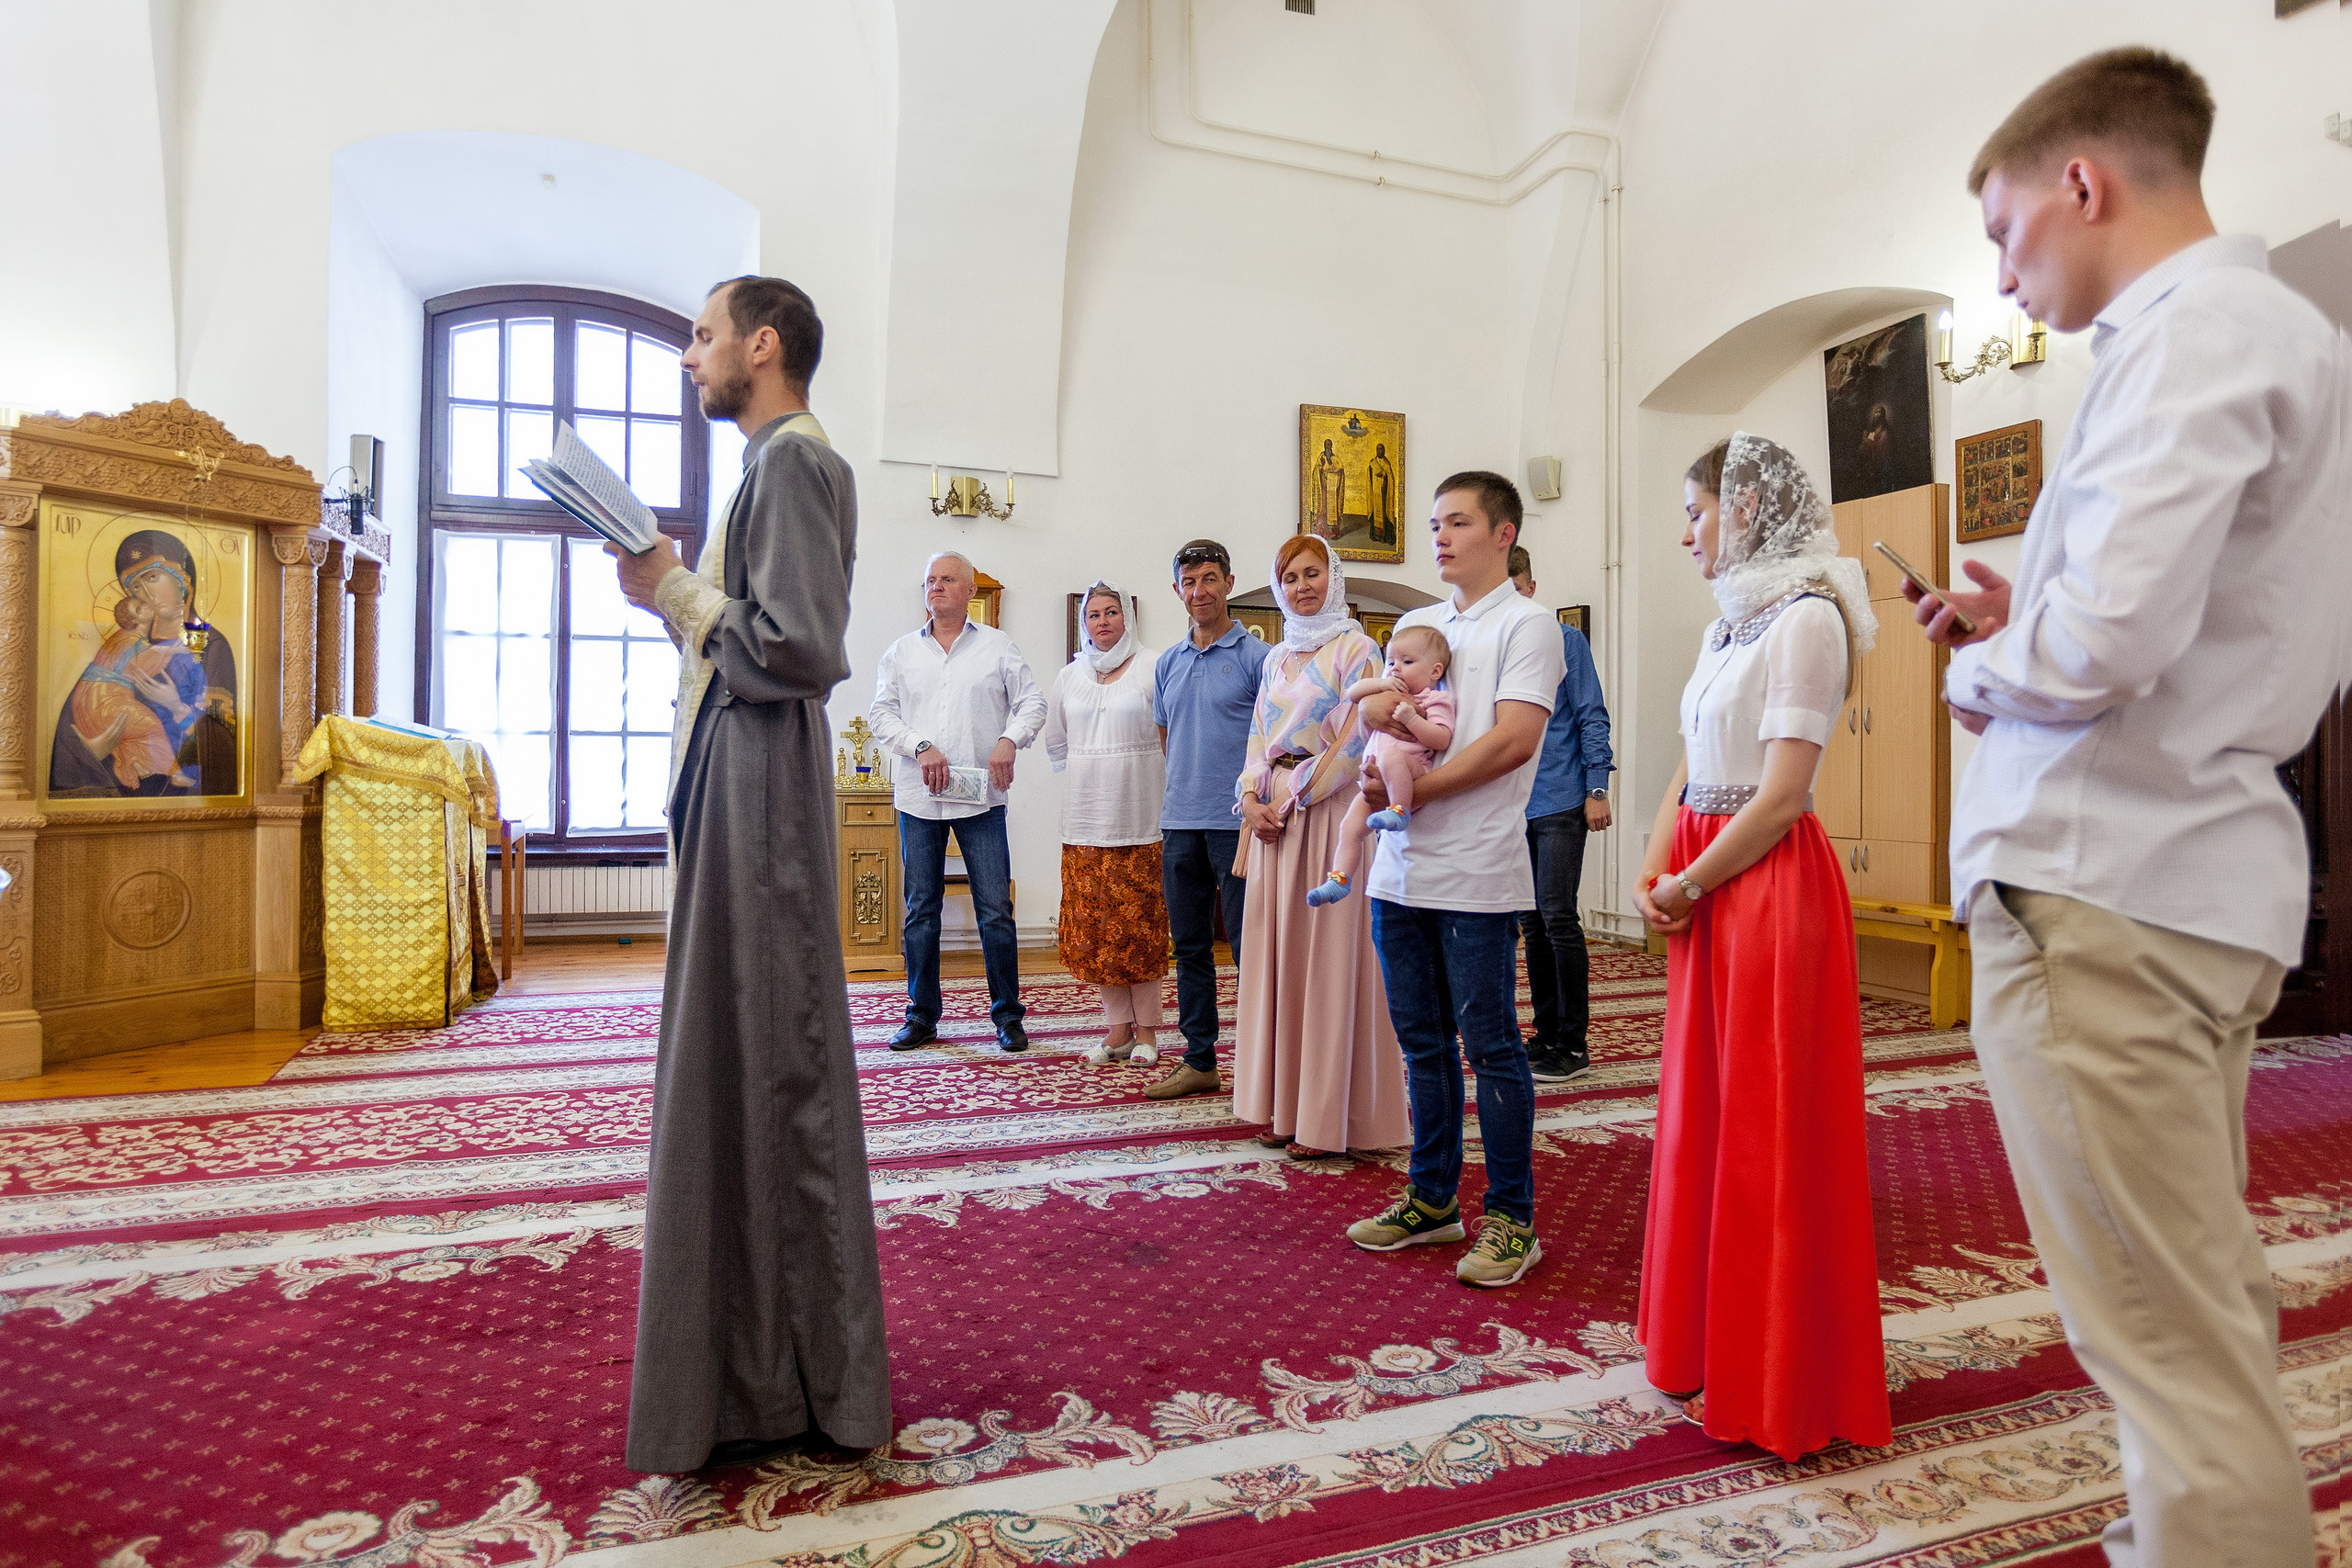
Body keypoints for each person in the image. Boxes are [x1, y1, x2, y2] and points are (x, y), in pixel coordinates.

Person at [1910, 50, 2348, 1565]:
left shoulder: (2191, 332)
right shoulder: (2269, 333)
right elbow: (2195, 610)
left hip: (2108, 883)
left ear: (2081, 182)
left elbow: (2106, 646)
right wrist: (2023, 601)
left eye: (2002, 229)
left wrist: (1986, 670)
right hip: (2191, 873)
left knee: (2168, 1353)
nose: (2003, 267)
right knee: (2201, 1305)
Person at [610, 275, 888, 1472]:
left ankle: (792, 1371)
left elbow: (797, 645)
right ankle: (750, 1367)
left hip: (762, 773)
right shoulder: (775, 463)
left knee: (771, 1058)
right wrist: (669, 591)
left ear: (762, 346)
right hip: (744, 768)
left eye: (703, 335)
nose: (691, 357)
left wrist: (669, 584)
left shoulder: (790, 462)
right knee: (738, 1051)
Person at [1631, 432, 1891, 1461]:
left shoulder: (1808, 620)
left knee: (1766, 1128)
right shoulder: (1727, 627)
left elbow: (1782, 794)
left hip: (1762, 884)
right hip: (1701, 876)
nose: (1683, 532)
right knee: (1706, 1112)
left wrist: (1692, 880)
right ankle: (1704, 1342)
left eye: (1694, 511)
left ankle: (1778, 1371)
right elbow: (1687, 766)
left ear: (1740, 510)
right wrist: (1657, 871)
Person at [1344, 473, 1564, 1287]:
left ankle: (1512, 1218)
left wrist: (1418, 790)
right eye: (1435, 522)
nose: (1438, 536)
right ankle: (1433, 1198)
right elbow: (1371, 706)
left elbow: (1511, 741)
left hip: (1475, 868)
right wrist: (1379, 754)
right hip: (1398, 867)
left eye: (1458, 522)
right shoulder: (1418, 620)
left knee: (1492, 1045)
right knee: (1422, 1043)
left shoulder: (1530, 625)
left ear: (1503, 534)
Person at [1230, 536, 1411, 1158]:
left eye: (1312, 573)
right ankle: (1284, 1106)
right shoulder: (1275, 656)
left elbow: (1361, 736)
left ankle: (1328, 1116)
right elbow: (1258, 735)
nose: (1301, 585)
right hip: (1276, 820)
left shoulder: (1358, 649)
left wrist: (1295, 793)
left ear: (1332, 578)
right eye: (1290, 576)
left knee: (1327, 964)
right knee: (1279, 961)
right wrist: (1251, 798)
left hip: (1328, 813)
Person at [870, 551, 1046, 1054]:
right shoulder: (901, 652)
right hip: (918, 800)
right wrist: (919, 746)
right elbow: (882, 714)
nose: (937, 587)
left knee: (995, 910)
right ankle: (921, 1016)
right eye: (930, 580)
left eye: (948, 579)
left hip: (981, 800)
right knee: (920, 909)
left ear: (971, 590)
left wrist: (1010, 739)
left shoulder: (998, 647)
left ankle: (1008, 1017)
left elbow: (1032, 702)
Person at [1148, 540, 1271, 1100]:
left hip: (1236, 825)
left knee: (1249, 948)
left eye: (1210, 579)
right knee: (1189, 946)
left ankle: (1263, 1065)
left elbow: (1271, 742)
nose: (1200, 591)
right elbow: (1167, 737)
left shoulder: (1256, 658)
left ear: (1229, 582)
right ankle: (1199, 1059)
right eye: (1189, 582)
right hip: (1180, 823)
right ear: (1177, 591)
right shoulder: (1168, 663)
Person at [1042, 580, 1169, 1066]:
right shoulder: (1069, 676)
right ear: (1084, 623)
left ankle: (1150, 1034)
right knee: (1097, 933)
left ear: (1127, 618)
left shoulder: (1154, 666)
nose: (1103, 622)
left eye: (1112, 612)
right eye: (1094, 614)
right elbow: (1058, 742)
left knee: (1142, 931)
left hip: (1139, 819)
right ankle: (1117, 1031)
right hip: (1084, 822)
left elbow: (1168, 734)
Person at [1510, 546, 1614, 1082]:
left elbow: (1592, 715)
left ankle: (1573, 1044)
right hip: (1512, 804)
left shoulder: (1566, 640)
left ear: (1530, 585)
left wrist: (1598, 787)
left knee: (1557, 915)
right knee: (1530, 921)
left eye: (1517, 582)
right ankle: (1546, 1033)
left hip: (1562, 797)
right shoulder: (1498, 645)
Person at [1306, 625, 1454, 906]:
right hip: (1375, 784)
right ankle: (1339, 879)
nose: (1396, 668)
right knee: (1349, 827)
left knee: (1391, 758)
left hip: (1411, 777)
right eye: (1391, 661)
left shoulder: (1435, 699)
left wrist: (1412, 719)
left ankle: (1400, 811)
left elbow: (1442, 738)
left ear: (1435, 672)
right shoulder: (1384, 693)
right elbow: (1353, 692)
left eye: (1407, 662)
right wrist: (1383, 684)